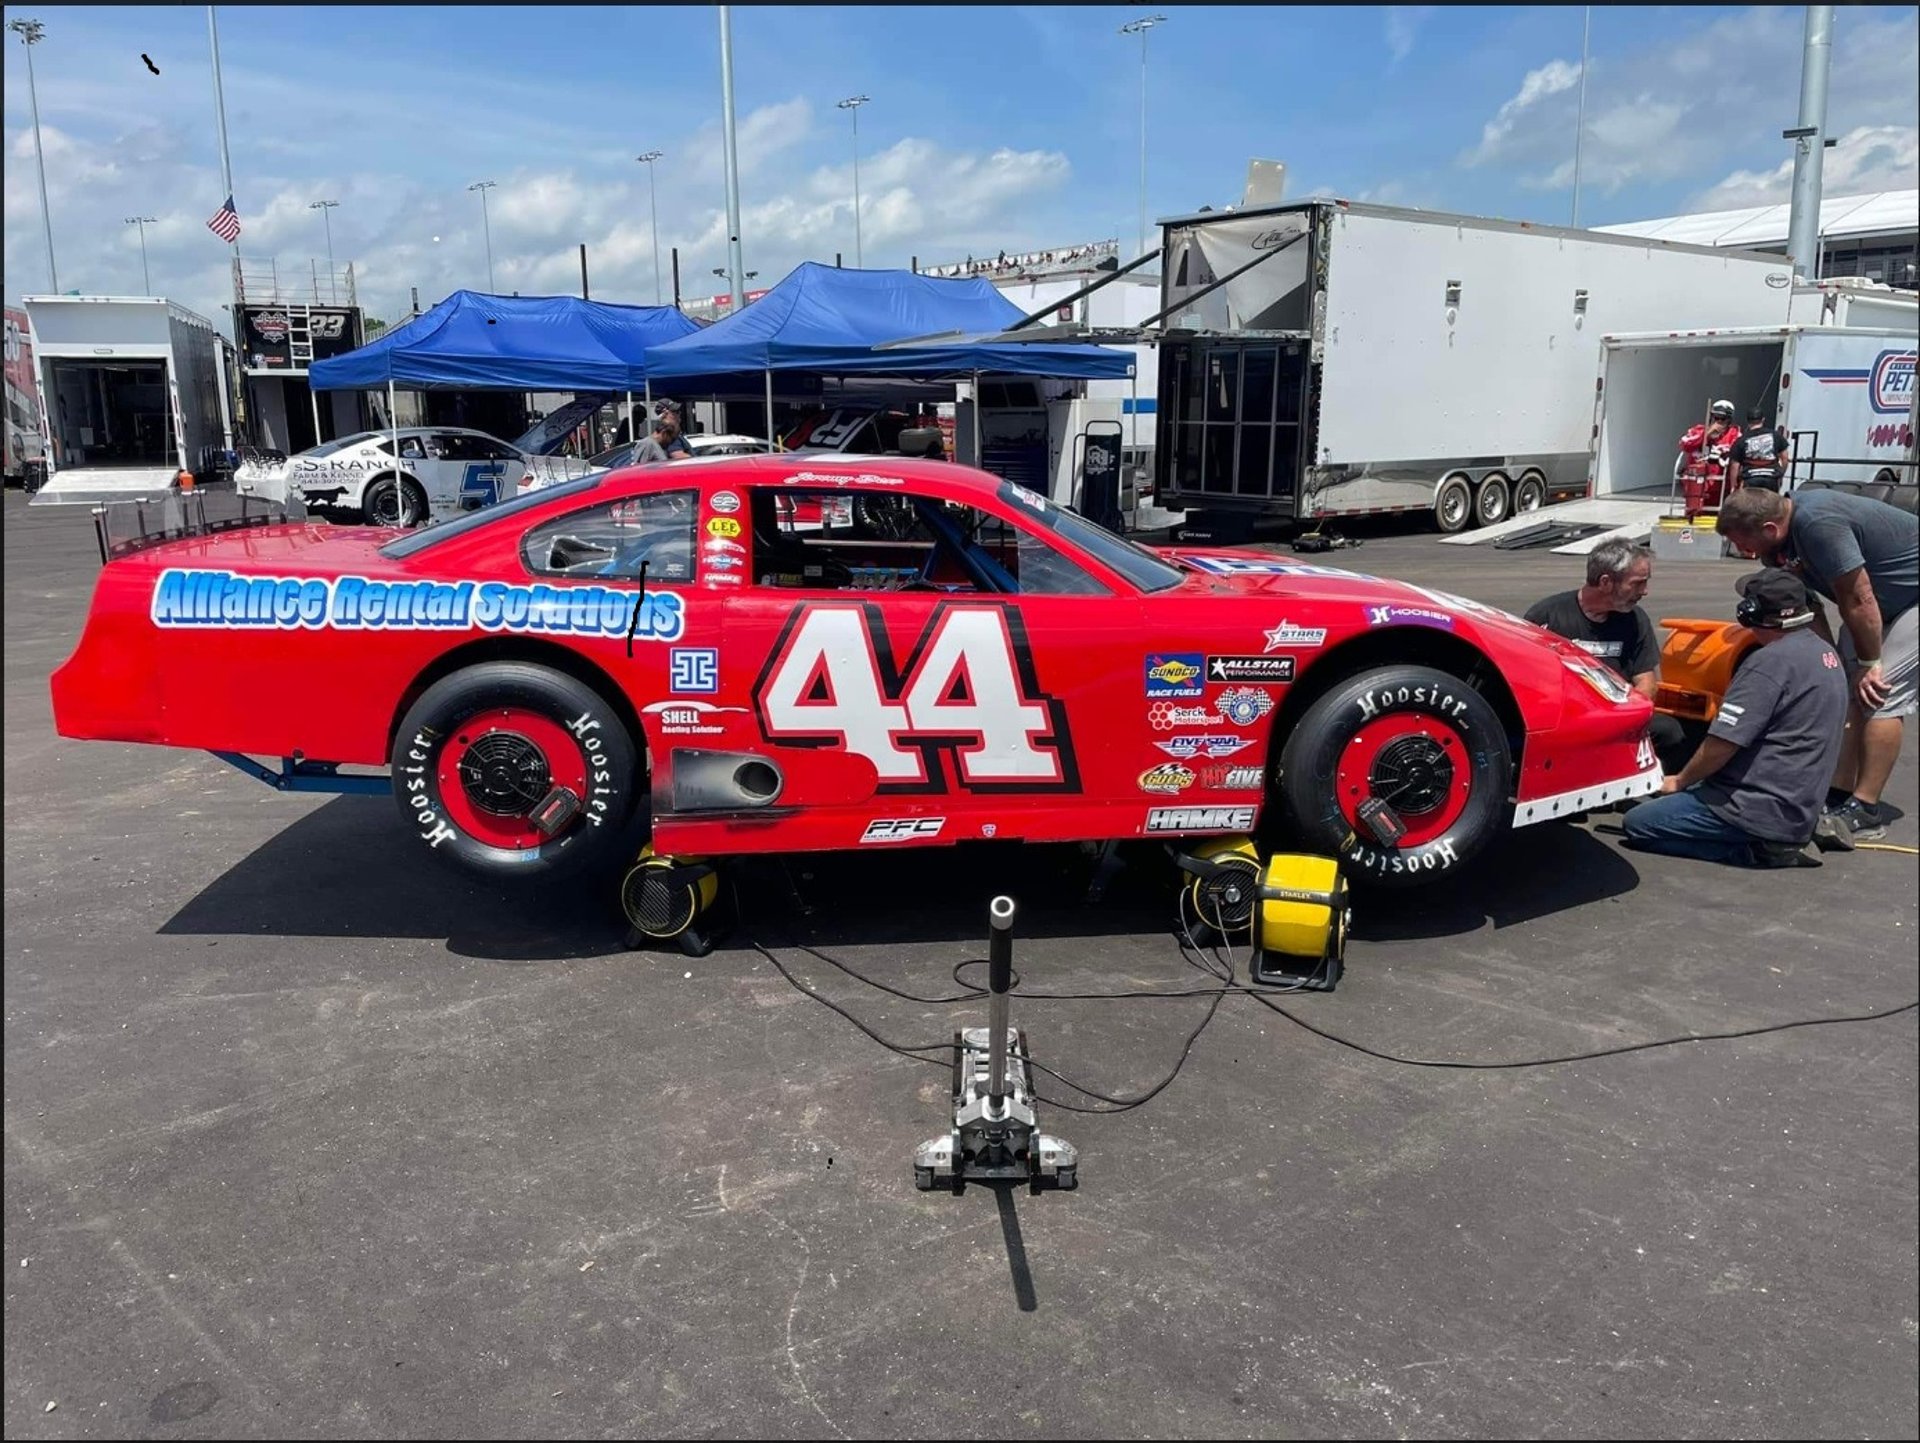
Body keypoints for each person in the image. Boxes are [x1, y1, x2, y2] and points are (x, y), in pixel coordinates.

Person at [1716, 485, 1918, 845]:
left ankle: (1866, 809)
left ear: (1769, 528)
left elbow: (1858, 596)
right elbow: (1807, 608)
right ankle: (1838, 793)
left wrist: (1870, 662)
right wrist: (1833, 663)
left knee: (1879, 691)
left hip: (1907, 599)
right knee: (1847, 688)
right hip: (1880, 604)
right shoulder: (1776, 549)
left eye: (1745, 543)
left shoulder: (1818, 523)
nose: (1746, 553)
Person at [1621, 571, 1846, 867]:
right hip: (1800, 802)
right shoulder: (1825, 653)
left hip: (1754, 806)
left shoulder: (1767, 664)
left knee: (1639, 824)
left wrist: (1680, 781)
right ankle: (1793, 833)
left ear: (1750, 613)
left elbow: (1724, 742)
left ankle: (1762, 849)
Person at [1525, 540, 1689, 772]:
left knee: (1671, 733)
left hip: (1618, 718)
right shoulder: (1547, 616)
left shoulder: (1635, 619)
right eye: (1637, 583)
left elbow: (1646, 683)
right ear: (1605, 582)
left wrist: (1625, 720)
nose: (1644, 591)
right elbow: (1528, 681)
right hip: (1565, 719)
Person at [1675, 399, 1741, 517]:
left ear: (1729, 420)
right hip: (1697, 485)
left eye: (1723, 419)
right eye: (1716, 418)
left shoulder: (1734, 434)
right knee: (1694, 515)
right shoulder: (1698, 430)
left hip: (1721, 486)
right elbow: (1685, 445)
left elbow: (1738, 452)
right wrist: (1706, 434)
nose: (1719, 422)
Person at [1727, 404, 1791, 493]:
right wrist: (1781, 474)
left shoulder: (1741, 440)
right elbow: (1785, 457)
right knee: (1771, 501)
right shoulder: (1775, 435)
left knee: (1751, 502)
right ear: (1763, 419)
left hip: (1750, 479)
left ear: (1748, 421)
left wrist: (1733, 485)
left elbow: (1735, 465)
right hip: (1771, 479)